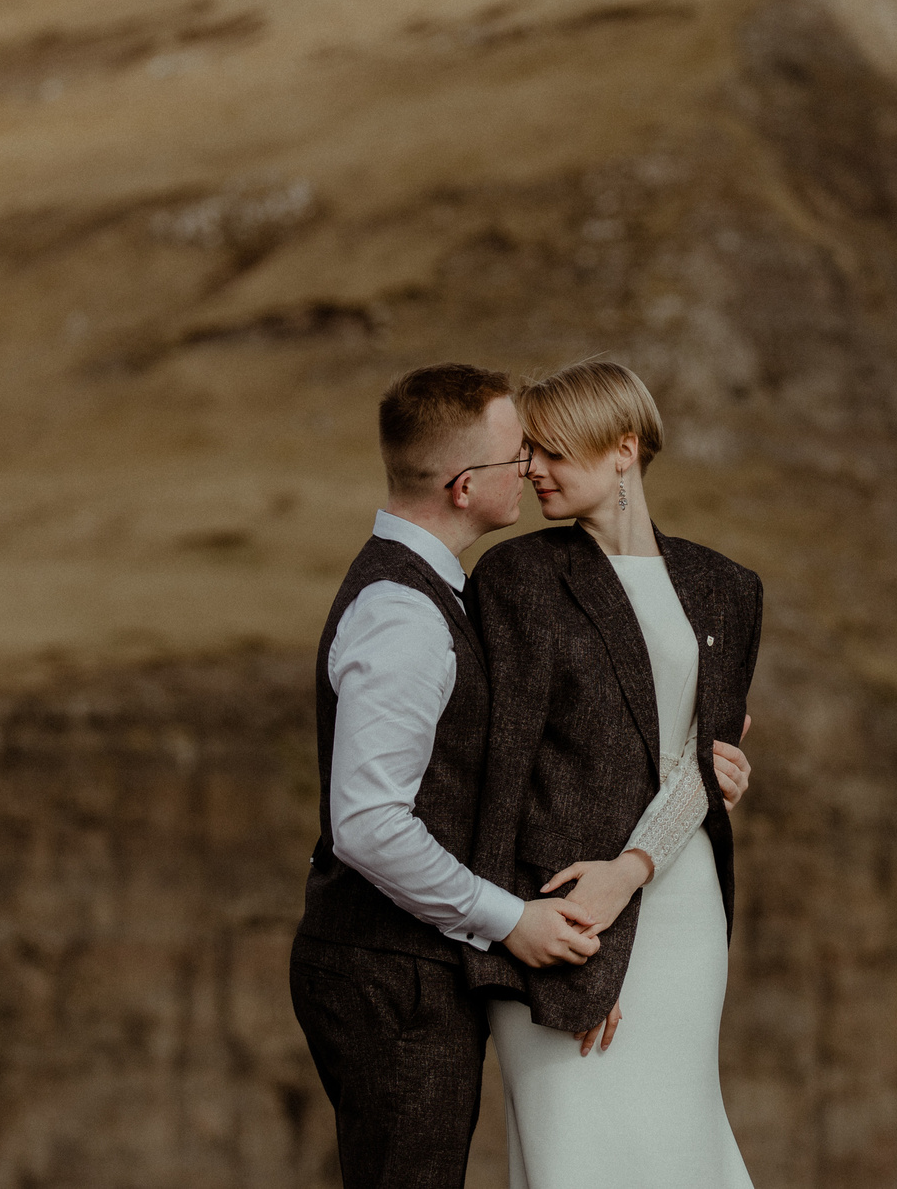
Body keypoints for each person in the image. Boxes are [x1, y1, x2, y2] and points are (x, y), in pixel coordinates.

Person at [290, 362, 604, 1189]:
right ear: (466, 486)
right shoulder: (403, 615)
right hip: (391, 981)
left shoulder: (439, 593)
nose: (533, 466)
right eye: (518, 455)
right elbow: (369, 824)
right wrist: (509, 920)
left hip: (405, 973)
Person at [462, 359, 762, 1189]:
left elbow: (704, 762)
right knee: (574, 1153)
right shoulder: (515, 580)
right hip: (555, 917)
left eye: (554, 452)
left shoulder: (727, 590)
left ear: (624, 447)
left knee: (679, 1142)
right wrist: (558, 940)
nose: (532, 470)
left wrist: (632, 874)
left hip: (676, 905)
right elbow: (501, 771)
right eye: (529, 453)